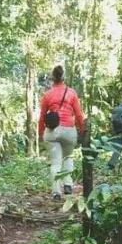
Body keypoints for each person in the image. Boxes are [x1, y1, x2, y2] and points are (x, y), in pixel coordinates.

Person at [38, 65, 86, 200]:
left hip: (52, 132)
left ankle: (56, 192)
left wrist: (41, 133)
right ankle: (68, 186)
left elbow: (42, 117)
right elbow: (78, 114)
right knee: (68, 157)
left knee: (55, 162)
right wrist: (82, 129)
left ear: (53, 78)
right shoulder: (71, 93)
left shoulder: (47, 95)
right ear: (63, 77)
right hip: (69, 131)